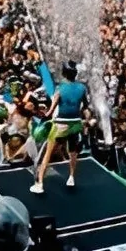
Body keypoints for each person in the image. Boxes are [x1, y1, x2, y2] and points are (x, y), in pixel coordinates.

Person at [32, 62, 88, 195]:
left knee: (48, 153)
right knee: (72, 152)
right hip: (76, 124)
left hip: (61, 125)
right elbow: (85, 105)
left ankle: (39, 184)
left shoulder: (60, 88)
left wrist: (44, 116)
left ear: (64, 73)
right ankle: (71, 178)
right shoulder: (82, 88)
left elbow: (51, 110)